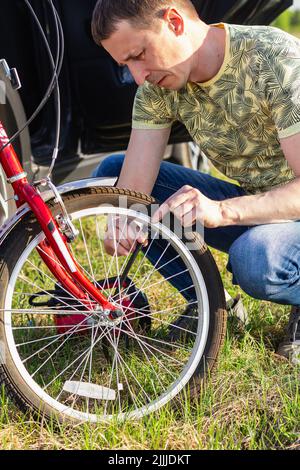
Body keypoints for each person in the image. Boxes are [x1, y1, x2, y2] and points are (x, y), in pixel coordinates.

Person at [91, 0, 300, 364]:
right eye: (127, 65)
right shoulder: (156, 90)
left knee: (257, 257)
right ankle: (209, 303)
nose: (139, 76)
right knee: (113, 176)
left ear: (173, 21)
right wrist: (121, 219)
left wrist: (222, 210)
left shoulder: (272, 57)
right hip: (262, 204)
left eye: (139, 55)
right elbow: (133, 189)